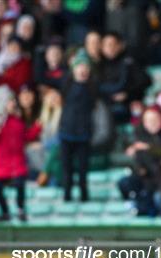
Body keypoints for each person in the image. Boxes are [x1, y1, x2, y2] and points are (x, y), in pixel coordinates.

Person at [0, 85, 40, 221]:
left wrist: (37, 128)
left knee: (20, 184)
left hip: (15, 163)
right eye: (10, 101)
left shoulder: (17, 121)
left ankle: (20, 209)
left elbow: (25, 137)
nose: (13, 103)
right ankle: (5, 212)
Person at [58, 50, 96, 202]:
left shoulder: (92, 87)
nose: (82, 69)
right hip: (66, 132)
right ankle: (66, 195)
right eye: (79, 66)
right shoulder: (66, 84)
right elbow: (42, 77)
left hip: (83, 134)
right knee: (66, 168)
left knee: (83, 169)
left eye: (85, 66)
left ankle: (84, 196)